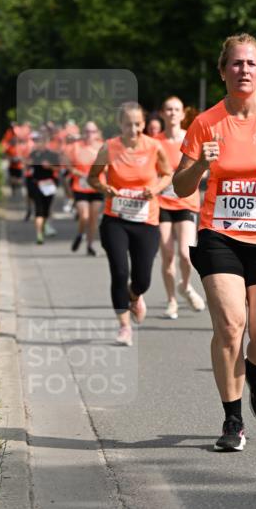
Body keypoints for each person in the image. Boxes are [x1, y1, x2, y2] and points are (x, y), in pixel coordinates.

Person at [172, 31, 256, 452]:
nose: (244, 70)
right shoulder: (205, 123)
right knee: (231, 325)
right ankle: (233, 421)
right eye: (236, 63)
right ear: (223, 71)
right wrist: (200, 165)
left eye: (250, 63)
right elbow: (180, 186)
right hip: (221, 234)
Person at [88, 102, 172, 346]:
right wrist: (105, 188)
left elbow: (167, 175)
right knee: (119, 271)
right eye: (128, 124)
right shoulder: (109, 148)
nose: (133, 129)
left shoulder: (154, 147)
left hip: (146, 218)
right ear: (120, 125)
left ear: (143, 124)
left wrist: (153, 189)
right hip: (116, 219)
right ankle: (124, 326)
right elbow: (92, 177)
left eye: (138, 124)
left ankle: (135, 296)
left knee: (142, 278)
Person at [155, 95, 205, 319]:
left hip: (187, 202)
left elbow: (204, 166)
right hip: (162, 203)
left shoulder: (190, 138)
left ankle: (185, 286)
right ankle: (171, 301)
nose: (173, 113)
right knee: (167, 255)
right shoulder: (154, 142)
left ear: (183, 114)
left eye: (177, 109)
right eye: (169, 109)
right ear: (162, 114)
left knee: (185, 254)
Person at [69, 121, 104, 255]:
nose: (90, 134)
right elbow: (70, 166)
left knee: (94, 218)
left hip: (97, 187)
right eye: (87, 131)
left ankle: (90, 245)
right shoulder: (76, 147)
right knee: (84, 216)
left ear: (97, 133)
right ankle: (79, 234)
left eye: (93, 131)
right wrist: (80, 173)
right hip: (80, 187)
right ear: (83, 133)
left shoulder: (102, 147)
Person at [27, 130, 62, 244]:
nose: (39, 143)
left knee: (46, 210)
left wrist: (50, 167)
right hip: (37, 185)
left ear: (46, 142)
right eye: (37, 141)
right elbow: (27, 166)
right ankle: (39, 234)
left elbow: (58, 168)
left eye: (41, 141)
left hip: (49, 185)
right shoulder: (33, 154)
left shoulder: (52, 155)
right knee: (39, 210)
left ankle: (43, 228)